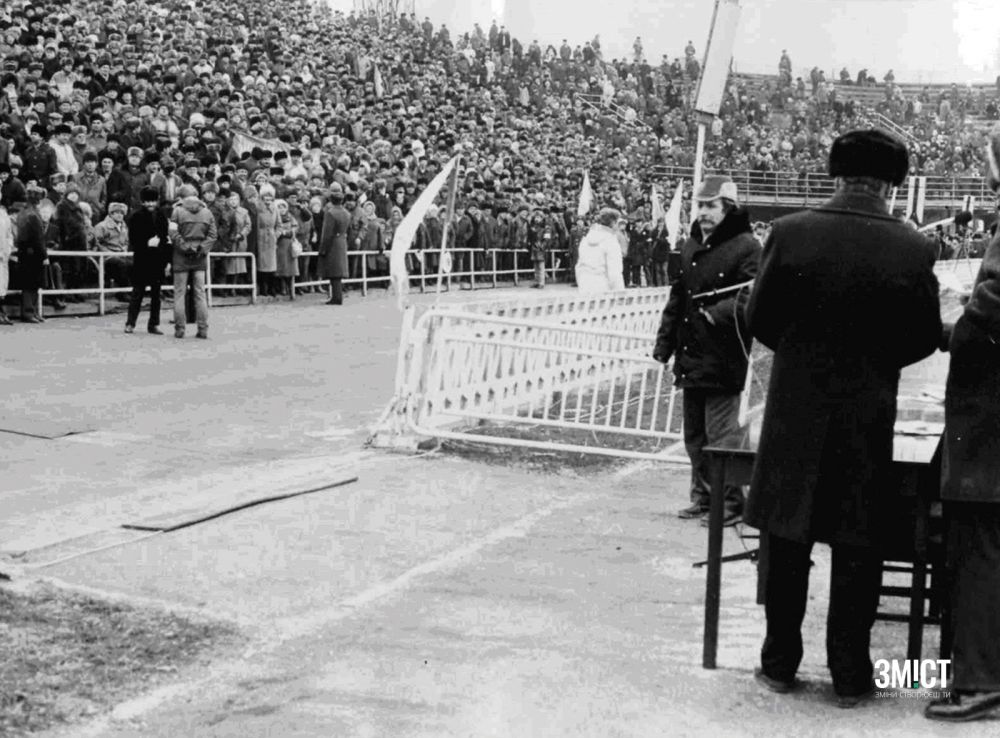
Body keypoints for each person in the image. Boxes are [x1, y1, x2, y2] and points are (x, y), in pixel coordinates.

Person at [744, 130, 942, 707]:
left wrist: (802, 356)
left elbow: (759, 317)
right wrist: (874, 362)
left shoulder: (790, 232)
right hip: (867, 413)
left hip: (795, 410)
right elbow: (924, 336)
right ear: (891, 184)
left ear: (836, 174)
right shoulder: (912, 247)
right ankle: (851, 676)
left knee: (787, 538)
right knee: (858, 544)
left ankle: (779, 663)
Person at [926, 134, 1000, 722]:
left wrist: (951, 323)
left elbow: (989, 314)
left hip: (990, 429)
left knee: (981, 553)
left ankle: (979, 683)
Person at [652, 175, 761, 526]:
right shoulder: (692, 244)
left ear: (728, 208)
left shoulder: (748, 246)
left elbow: (752, 295)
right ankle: (703, 497)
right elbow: (678, 298)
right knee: (695, 436)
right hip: (691, 353)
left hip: (723, 355)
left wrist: (717, 314)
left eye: (711, 206)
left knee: (723, 435)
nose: (703, 212)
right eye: (700, 205)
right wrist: (663, 345)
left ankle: (731, 503)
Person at [169, 183, 215, 339]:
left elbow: (173, 233)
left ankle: (180, 329)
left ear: (181, 197)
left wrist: (185, 247)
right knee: (200, 293)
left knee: (179, 294)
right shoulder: (207, 212)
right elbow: (212, 235)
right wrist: (201, 248)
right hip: (200, 257)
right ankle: (203, 328)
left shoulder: (177, 211)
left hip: (181, 257)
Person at [124, 186, 169, 334]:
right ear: (142, 202)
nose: (150, 204)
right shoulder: (136, 216)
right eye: (147, 201)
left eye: (153, 201)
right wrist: (147, 243)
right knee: (137, 293)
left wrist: (165, 258)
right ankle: (130, 323)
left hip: (157, 261)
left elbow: (165, 238)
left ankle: (153, 324)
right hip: (142, 260)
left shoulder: (161, 216)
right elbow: (133, 239)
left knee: (156, 295)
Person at [14, 184, 49, 323]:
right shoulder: (33, 214)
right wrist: (44, 255)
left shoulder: (24, 212)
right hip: (33, 254)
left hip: (26, 253)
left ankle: (31, 311)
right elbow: (38, 238)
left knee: (30, 284)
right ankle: (29, 312)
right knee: (32, 284)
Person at [575, 207, 625, 293]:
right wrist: (620, 293)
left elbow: (578, 267)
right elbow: (615, 272)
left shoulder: (585, 239)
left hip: (584, 285)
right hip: (603, 287)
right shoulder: (611, 241)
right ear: (613, 223)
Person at [318, 183, 350, 305]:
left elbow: (327, 233)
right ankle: (337, 296)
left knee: (334, 271)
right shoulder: (346, 213)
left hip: (333, 243)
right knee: (338, 270)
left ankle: (336, 297)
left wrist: (323, 248)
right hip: (342, 241)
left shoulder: (330, 213)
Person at [0, 201, 12, 324]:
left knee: (2, 285)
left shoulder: (4, 214)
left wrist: (8, 249)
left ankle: (2, 312)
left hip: (3, 256)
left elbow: (9, 235)